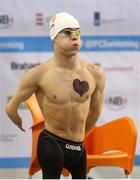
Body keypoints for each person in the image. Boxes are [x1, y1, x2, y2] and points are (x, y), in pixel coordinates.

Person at [6, 12, 105, 179]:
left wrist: (79, 135)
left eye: (77, 32)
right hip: (52, 143)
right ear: (54, 38)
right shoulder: (39, 74)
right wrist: (17, 119)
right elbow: (11, 107)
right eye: (67, 32)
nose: (74, 37)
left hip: (78, 147)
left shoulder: (95, 74)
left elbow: (95, 111)